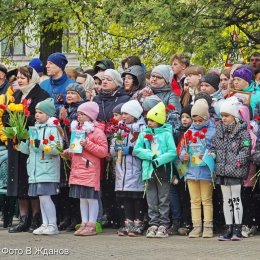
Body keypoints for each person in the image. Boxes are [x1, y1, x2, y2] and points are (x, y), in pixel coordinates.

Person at [4, 66, 50, 233]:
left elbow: (42, 115)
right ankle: (23, 218)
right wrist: (13, 123)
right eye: (18, 77)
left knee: (31, 179)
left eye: (24, 76)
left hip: (31, 141)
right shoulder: (16, 95)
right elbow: (6, 114)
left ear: (33, 78)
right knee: (19, 180)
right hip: (16, 141)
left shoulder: (41, 95)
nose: (20, 80)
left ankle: (36, 217)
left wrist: (22, 118)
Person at [18, 98, 62, 235]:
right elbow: (31, 150)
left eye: (41, 112)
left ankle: (53, 224)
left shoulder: (53, 128)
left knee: (45, 197)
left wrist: (41, 145)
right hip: (35, 169)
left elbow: (57, 149)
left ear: (48, 114)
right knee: (41, 197)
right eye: (36, 112)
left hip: (47, 168)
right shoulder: (34, 129)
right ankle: (45, 223)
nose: (37, 115)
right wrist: (19, 144)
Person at [210, 98, 251, 241]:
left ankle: (237, 228)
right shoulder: (219, 131)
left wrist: (237, 163)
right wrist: (212, 154)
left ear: (235, 116)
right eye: (222, 116)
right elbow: (214, 146)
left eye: (226, 115)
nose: (223, 118)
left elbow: (245, 150)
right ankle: (229, 227)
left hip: (235, 170)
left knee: (236, 199)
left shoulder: (243, 132)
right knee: (226, 200)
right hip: (222, 170)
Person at [134, 102, 177, 238]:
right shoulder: (144, 134)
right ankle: (153, 223)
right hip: (149, 171)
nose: (149, 122)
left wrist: (159, 159)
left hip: (162, 170)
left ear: (159, 120)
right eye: (148, 120)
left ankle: (164, 224)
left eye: (152, 120)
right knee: (151, 199)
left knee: (163, 199)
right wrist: (150, 155)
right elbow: (137, 149)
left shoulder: (166, 134)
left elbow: (172, 152)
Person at [67, 102, 108, 236]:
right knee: (82, 198)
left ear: (90, 116)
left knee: (91, 198)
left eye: (82, 114)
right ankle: (84, 222)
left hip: (89, 169)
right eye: (78, 114)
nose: (79, 117)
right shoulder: (77, 131)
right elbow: (75, 150)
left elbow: (103, 152)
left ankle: (92, 223)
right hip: (78, 168)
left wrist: (88, 144)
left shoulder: (97, 131)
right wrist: (68, 152)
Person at [180, 99, 216, 238]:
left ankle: (208, 226)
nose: (197, 123)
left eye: (200, 120)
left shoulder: (212, 132)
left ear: (206, 118)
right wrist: (184, 155)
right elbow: (182, 148)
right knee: (194, 200)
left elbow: (215, 150)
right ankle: (196, 226)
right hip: (191, 171)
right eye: (195, 120)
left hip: (205, 171)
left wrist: (208, 155)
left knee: (206, 200)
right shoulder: (188, 132)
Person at [110, 100, 146, 237]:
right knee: (125, 198)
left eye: (126, 113)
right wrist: (116, 149)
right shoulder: (119, 128)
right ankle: (127, 222)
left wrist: (130, 150)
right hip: (122, 169)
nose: (123, 116)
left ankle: (139, 223)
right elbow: (112, 149)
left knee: (136, 197)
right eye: (122, 113)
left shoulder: (141, 129)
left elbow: (144, 148)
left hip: (135, 167)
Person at [57, 83, 87, 231]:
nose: (69, 95)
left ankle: (76, 217)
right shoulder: (63, 108)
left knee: (74, 186)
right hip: (64, 150)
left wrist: (65, 120)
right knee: (63, 187)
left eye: (73, 93)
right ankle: (66, 216)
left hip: (76, 151)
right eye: (68, 92)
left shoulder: (81, 110)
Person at [169, 104, 193, 236]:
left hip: (189, 171)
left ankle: (187, 222)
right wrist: (173, 173)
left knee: (187, 198)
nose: (184, 120)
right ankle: (177, 221)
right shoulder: (177, 133)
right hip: (177, 170)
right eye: (182, 117)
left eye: (187, 117)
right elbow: (174, 153)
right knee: (176, 198)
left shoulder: (193, 133)